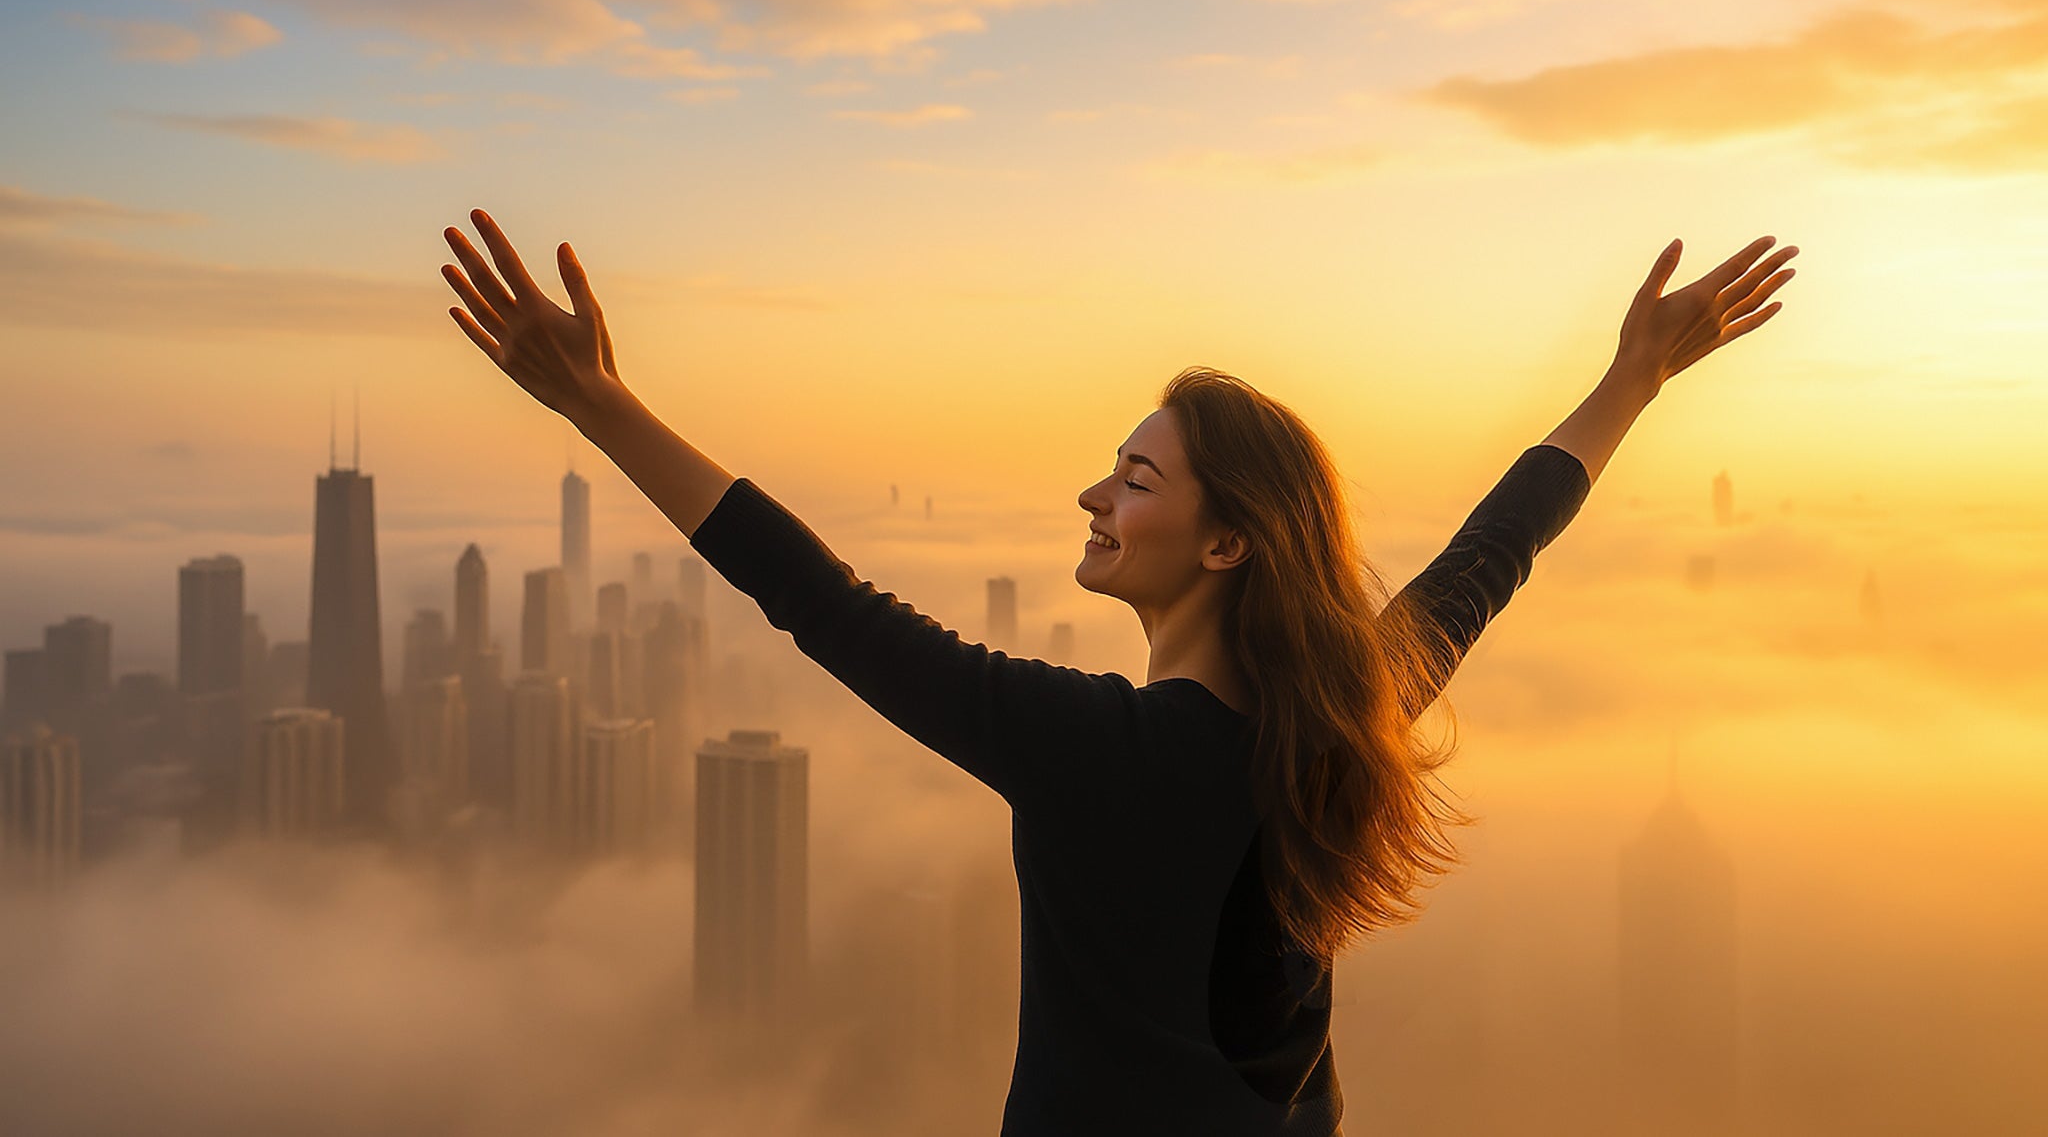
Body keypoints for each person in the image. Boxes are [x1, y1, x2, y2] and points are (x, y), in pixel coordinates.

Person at [438, 210, 1796, 1135]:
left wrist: (600, 404)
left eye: (1135, 478)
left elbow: (821, 602)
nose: (1094, 496)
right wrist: (1633, 378)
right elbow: (1497, 549)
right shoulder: (1350, 712)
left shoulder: (1093, 749)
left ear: (1225, 542)